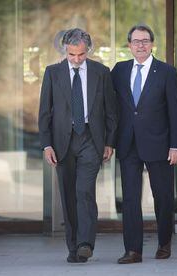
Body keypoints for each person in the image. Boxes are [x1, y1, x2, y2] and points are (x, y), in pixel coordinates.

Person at [38, 28, 118, 263]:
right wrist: (47, 145)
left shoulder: (101, 72)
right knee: (68, 194)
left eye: (81, 55)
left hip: (90, 140)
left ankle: (85, 243)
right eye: (72, 54)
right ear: (65, 50)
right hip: (63, 141)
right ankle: (72, 246)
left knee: (84, 191)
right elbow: (45, 112)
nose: (76, 60)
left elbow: (111, 110)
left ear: (88, 51)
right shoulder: (52, 73)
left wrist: (109, 142)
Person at [111, 24, 177, 264]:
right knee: (130, 198)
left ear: (152, 44)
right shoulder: (119, 71)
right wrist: (109, 142)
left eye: (145, 41)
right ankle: (133, 250)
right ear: (129, 45)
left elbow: (175, 112)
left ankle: (164, 242)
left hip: (159, 144)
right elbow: (112, 110)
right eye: (135, 41)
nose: (140, 45)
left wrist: (176, 145)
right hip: (128, 143)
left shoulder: (166, 72)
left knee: (162, 196)